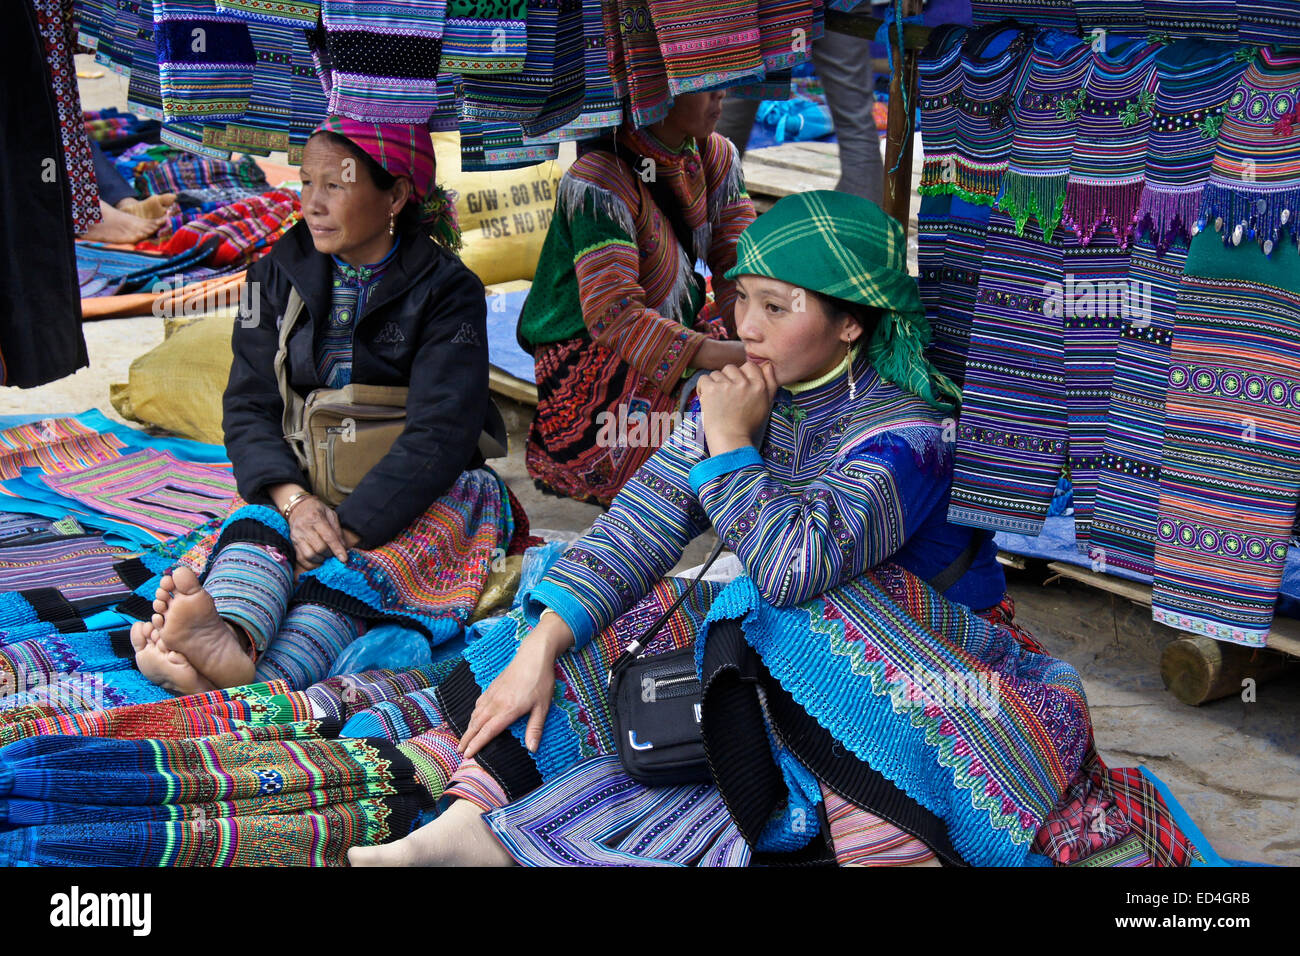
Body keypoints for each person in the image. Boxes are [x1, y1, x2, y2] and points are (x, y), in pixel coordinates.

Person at [348, 191, 1113, 868]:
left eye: (777, 308)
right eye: (741, 298)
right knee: (598, 618)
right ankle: (470, 817)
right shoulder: (746, 395)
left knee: (768, 608)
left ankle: (877, 832)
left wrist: (734, 444)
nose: (745, 326)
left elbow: (792, 570)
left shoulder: (908, 439)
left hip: (929, 668)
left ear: (850, 323)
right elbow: (639, 526)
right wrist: (543, 647)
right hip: (794, 653)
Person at [130, 117, 519, 696]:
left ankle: (247, 674)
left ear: (395, 195)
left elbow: (441, 432)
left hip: (419, 495)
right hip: (305, 484)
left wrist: (348, 528)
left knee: (347, 576)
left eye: (335, 185)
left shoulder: (447, 290)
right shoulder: (272, 276)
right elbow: (248, 405)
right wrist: (295, 503)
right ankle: (230, 639)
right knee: (257, 533)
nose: (312, 203)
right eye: (306, 183)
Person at [518, 90, 756, 506]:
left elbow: (740, 267)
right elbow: (616, 317)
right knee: (708, 415)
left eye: (725, 77)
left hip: (668, 330)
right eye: (701, 80)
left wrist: (756, 339)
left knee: (783, 345)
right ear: (654, 86)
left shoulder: (714, 156)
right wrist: (737, 356)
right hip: (588, 359)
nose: (722, 91)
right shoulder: (599, 179)